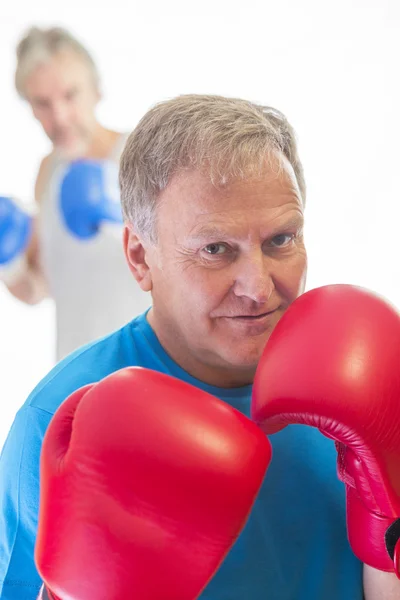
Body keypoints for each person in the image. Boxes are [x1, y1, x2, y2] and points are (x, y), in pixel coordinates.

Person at [0, 94, 398, 599]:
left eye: (280, 239)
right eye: (216, 250)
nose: (257, 285)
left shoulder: (370, 375)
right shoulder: (58, 418)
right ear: (141, 257)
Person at [1, 26, 150, 360]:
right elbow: (41, 288)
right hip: (75, 374)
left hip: (145, 368)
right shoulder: (47, 172)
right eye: (42, 103)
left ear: (96, 90)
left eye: (70, 95)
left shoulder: (139, 154)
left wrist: (114, 224)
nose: (60, 117)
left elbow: (186, 268)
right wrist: (8, 262)